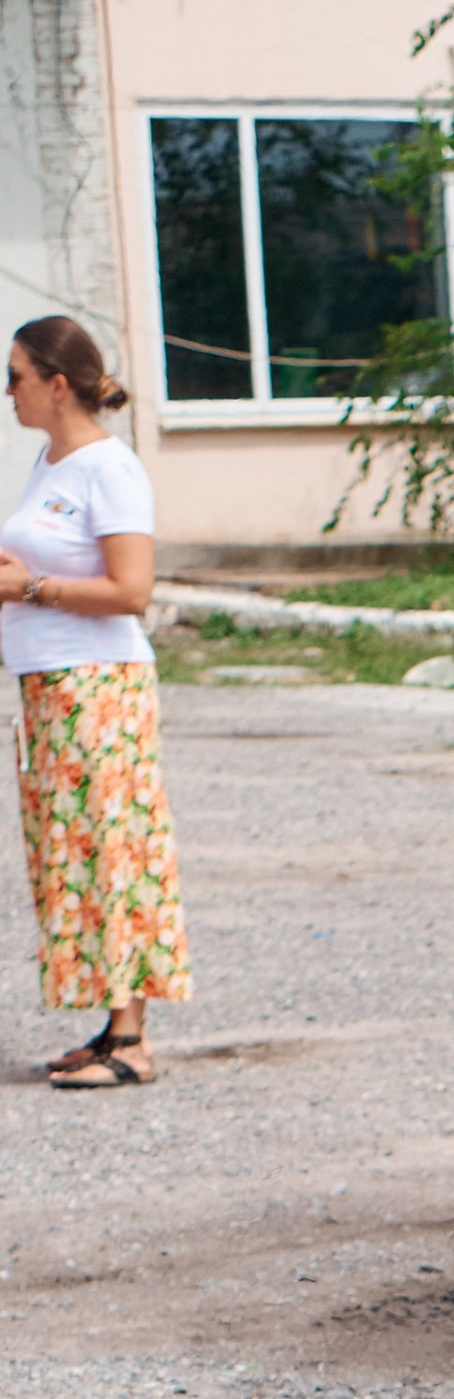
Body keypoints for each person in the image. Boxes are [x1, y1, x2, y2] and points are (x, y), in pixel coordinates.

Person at [0, 314, 191, 1088]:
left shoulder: (109, 469)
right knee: (68, 857)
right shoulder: (51, 462)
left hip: (99, 686)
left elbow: (131, 590)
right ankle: (107, 1022)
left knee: (114, 853)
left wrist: (32, 586)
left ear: (56, 383)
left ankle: (133, 1038)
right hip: (48, 684)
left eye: (13, 376)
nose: (6, 392)